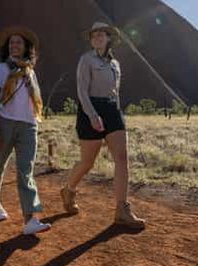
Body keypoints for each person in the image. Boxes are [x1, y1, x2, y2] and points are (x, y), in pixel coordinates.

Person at [60, 22, 145, 229]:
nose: (97, 38)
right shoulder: (86, 60)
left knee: (122, 158)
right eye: (94, 35)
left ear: (109, 39)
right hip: (91, 108)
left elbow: (116, 92)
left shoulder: (115, 64)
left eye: (101, 35)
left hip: (112, 110)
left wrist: (116, 112)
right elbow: (82, 90)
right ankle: (69, 189)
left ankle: (122, 210)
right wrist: (92, 115)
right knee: (87, 162)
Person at [0, 25, 51, 235]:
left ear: (26, 48)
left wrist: (35, 123)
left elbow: (35, 101)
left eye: (18, 42)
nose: (14, 45)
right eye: (12, 42)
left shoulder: (30, 72)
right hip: (5, 123)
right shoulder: (0, 70)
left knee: (26, 171)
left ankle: (30, 219)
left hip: (28, 125)